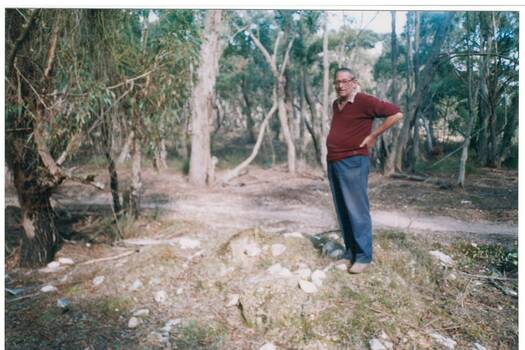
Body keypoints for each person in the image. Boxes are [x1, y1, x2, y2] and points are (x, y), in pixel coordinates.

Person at [327, 67, 403, 274]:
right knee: (342, 209)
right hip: (334, 160)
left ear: (354, 82)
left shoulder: (364, 101)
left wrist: (374, 135)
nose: (340, 85)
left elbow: (396, 114)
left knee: (356, 209)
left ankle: (363, 256)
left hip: (353, 161)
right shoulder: (337, 104)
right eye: (337, 82)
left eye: (345, 81)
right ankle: (350, 252)